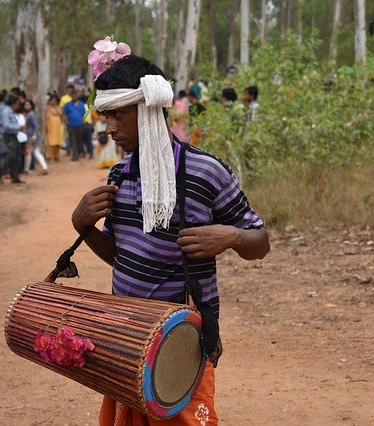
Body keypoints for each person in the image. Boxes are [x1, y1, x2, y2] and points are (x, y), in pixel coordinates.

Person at [72, 54, 270, 425]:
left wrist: (231, 237)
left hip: (182, 335)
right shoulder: (119, 176)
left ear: (150, 108)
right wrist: (83, 227)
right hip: (127, 332)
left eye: (119, 115)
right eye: (106, 116)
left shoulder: (205, 171)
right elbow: (122, 257)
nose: (110, 128)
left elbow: (261, 241)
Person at [1, 96, 25, 184]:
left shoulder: (11, 112)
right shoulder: (6, 112)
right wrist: (18, 127)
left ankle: (15, 176)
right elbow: (6, 125)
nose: (18, 106)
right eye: (17, 104)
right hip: (9, 136)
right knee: (11, 156)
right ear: (13, 104)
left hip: (13, 135)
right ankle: (2, 174)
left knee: (16, 155)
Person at [23, 99, 48, 175]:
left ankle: (43, 168)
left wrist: (34, 135)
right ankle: (27, 169)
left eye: (28, 105)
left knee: (33, 152)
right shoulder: (28, 114)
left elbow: (36, 126)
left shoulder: (31, 114)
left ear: (32, 106)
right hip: (30, 136)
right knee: (31, 152)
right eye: (25, 105)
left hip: (33, 136)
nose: (26, 106)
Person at [62, 89, 86, 161]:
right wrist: (66, 123)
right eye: (72, 95)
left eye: (75, 95)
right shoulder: (67, 105)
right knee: (72, 141)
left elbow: (83, 114)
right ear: (70, 96)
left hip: (80, 125)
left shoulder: (81, 104)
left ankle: (78, 153)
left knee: (79, 141)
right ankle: (74, 155)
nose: (74, 96)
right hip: (71, 126)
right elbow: (65, 114)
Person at [45, 93, 64, 161]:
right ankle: (49, 156)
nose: (53, 102)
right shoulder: (47, 108)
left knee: (57, 143)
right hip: (50, 128)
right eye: (52, 100)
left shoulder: (58, 107)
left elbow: (61, 114)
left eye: (54, 100)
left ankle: (56, 156)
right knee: (50, 143)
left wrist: (56, 107)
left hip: (57, 129)